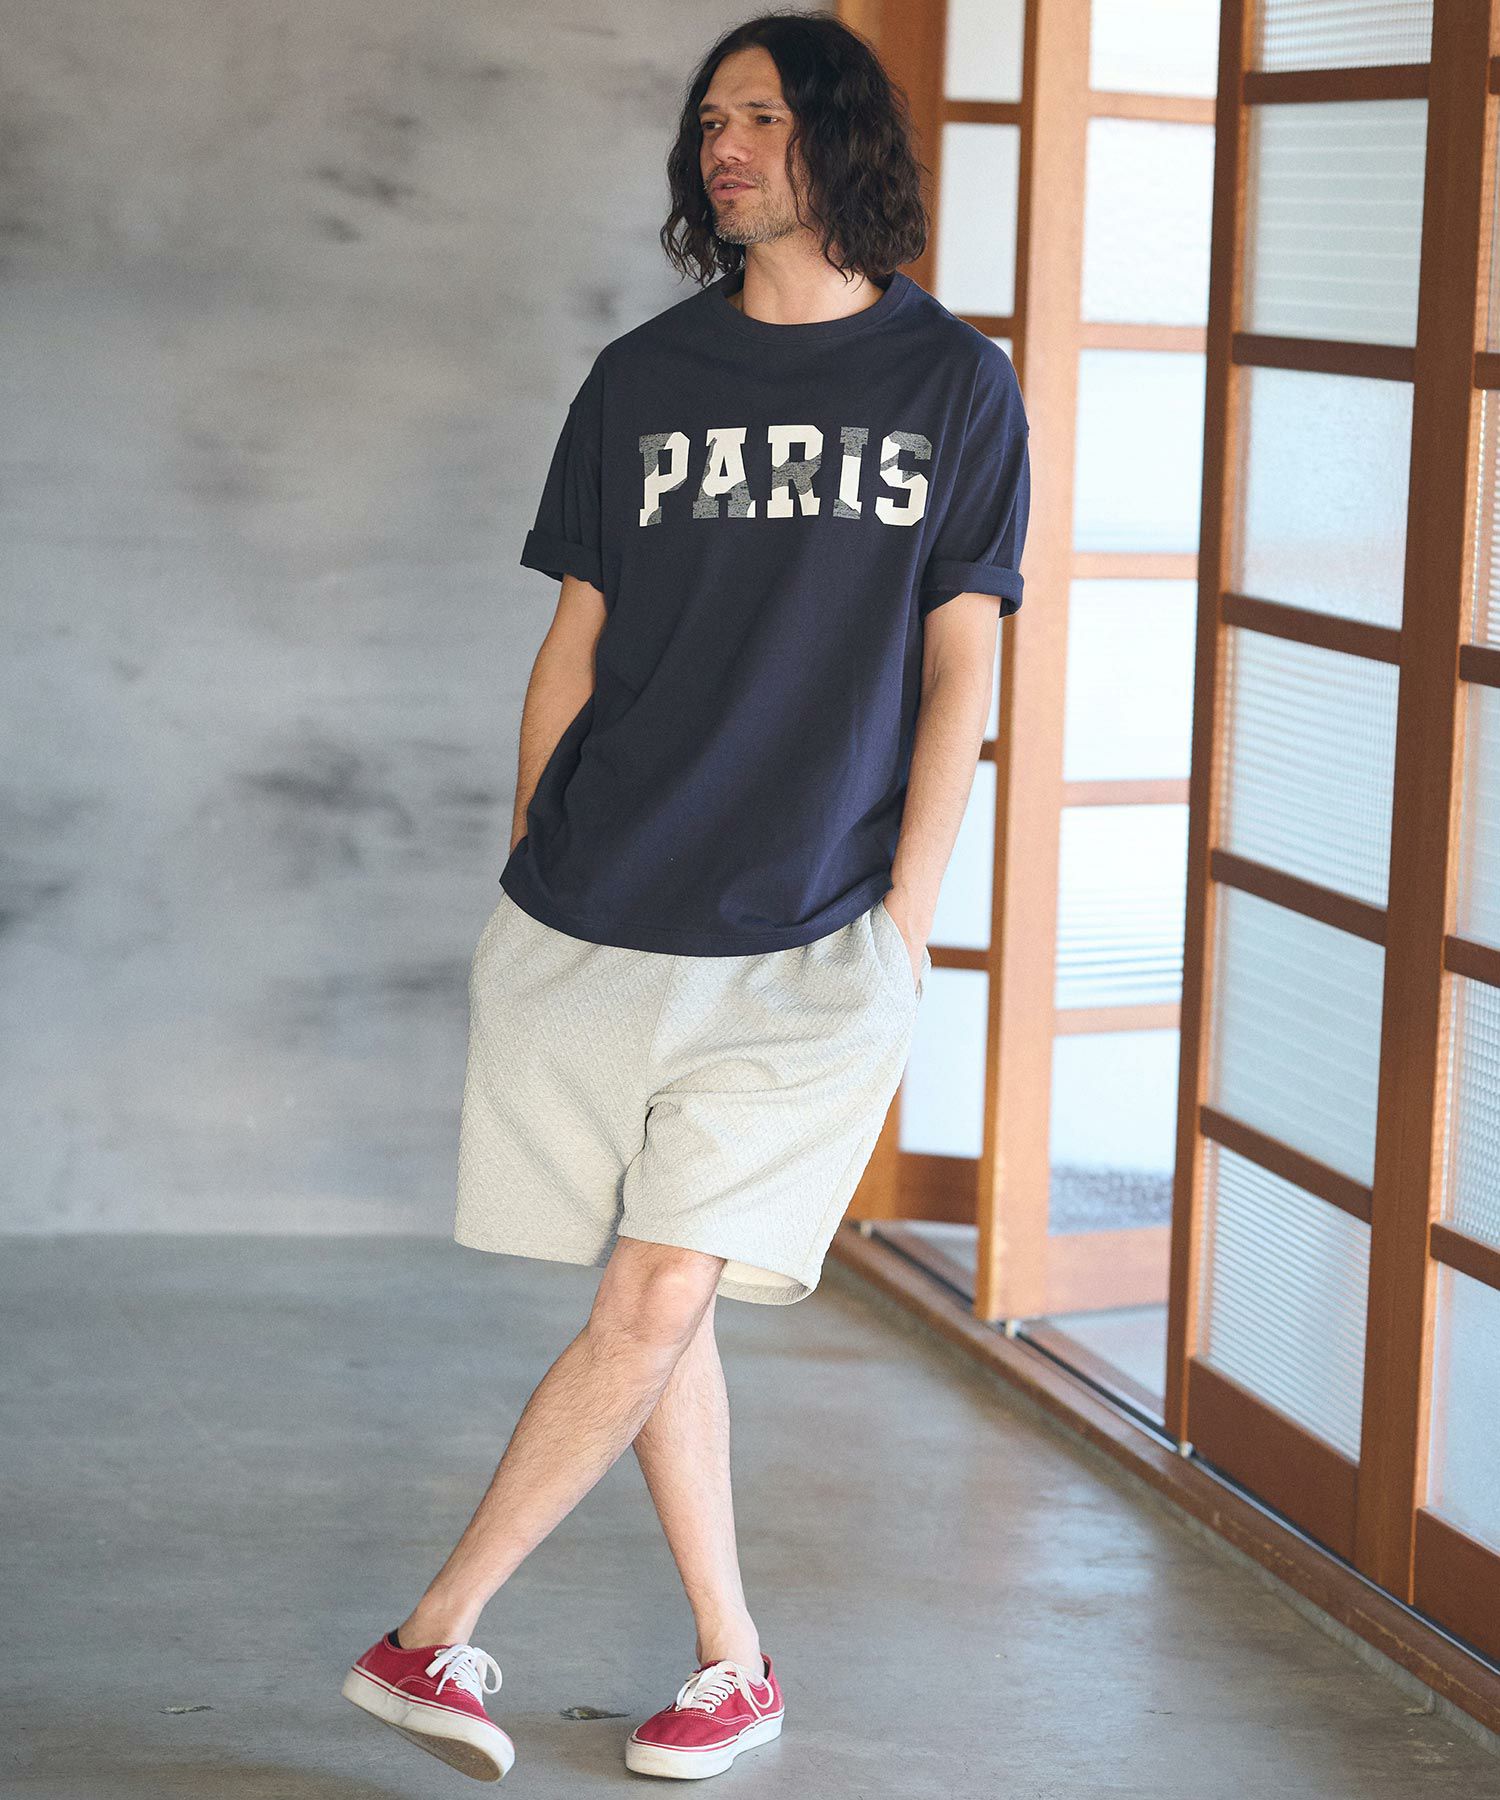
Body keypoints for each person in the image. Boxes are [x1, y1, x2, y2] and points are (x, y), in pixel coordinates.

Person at [341, 9, 1029, 1783]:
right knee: (666, 1302)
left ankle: (431, 1635)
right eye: (710, 119)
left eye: (762, 117)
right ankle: (735, 1663)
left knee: (652, 1294)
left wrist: (906, 923)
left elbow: (961, 666)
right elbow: (572, 643)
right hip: (596, 913)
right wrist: (531, 867)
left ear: (840, 142)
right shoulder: (641, 378)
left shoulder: (954, 386)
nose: (723, 146)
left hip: (808, 937)